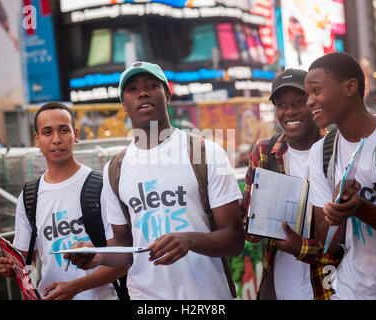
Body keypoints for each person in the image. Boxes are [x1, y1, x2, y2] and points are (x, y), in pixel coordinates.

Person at [66, 61, 245, 300]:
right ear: (124, 105)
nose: (142, 92)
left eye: (152, 85)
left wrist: (190, 240)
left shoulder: (206, 153)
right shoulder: (114, 169)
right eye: (132, 89)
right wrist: (96, 255)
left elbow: (234, 239)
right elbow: (123, 244)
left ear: (167, 95)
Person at [0, 101, 128, 300]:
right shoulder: (29, 195)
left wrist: (75, 287)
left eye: (63, 130)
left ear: (75, 135)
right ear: (37, 139)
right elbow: (26, 261)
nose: (56, 139)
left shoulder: (102, 186)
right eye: (47, 132)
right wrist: (12, 267)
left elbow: (123, 260)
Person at [305, 52, 376, 299]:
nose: (309, 102)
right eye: (308, 94)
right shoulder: (321, 152)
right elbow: (327, 242)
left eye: (316, 91)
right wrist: (336, 212)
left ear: (350, 87)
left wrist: (359, 207)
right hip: (351, 290)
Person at [241, 69, 342, 300]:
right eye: (281, 104)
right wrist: (255, 221)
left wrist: (301, 247)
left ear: (313, 104)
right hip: (281, 287)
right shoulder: (264, 152)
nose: (289, 111)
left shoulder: (337, 150)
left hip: (332, 288)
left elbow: (348, 241)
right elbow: (249, 231)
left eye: (299, 101)